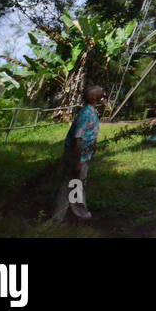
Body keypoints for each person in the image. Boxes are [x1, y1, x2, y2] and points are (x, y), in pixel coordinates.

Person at [52, 85, 104, 223]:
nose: (102, 95)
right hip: (77, 155)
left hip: (81, 155)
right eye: (100, 93)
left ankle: (62, 215)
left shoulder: (91, 111)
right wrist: (78, 161)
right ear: (93, 98)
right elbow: (77, 139)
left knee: (71, 184)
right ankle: (78, 214)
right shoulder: (87, 114)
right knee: (75, 184)